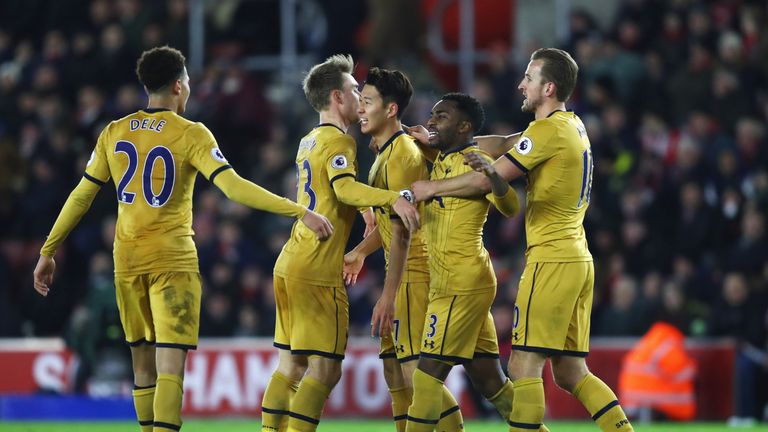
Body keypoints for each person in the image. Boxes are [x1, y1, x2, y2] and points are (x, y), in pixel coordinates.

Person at [32, 46, 334, 432]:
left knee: (142, 365)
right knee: (170, 364)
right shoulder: (190, 133)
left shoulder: (114, 131)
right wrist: (299, 210)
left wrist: (48, 250)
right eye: (188, 81)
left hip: (127, 260)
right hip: (172, 261)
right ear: (178, 85)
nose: (189, 89)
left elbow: (82, 196)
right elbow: (234, 188)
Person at [411, 48, 634, 432]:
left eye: (528, 78)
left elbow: (487, 179)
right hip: (578, 258)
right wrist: (441, 139)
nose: (520, 84)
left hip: (551, 260)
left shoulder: (547, 131)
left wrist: (430, 186)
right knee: (570, 372)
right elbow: (505, 142)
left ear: (548, 87)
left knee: (522, 365)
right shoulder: (570, 125)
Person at [260, 54, 420, 432]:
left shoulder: (308, 140)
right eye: (353, 91)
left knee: (291, 365)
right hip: (317, 268)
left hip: (290, 262)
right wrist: (389, 198)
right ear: (336, 96)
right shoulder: (341, 142)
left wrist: (361, 210)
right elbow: (343, 187)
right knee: (326, 370)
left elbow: (331, 193)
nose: (359, 99)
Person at [342, 67, 463, 432]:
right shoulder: (387, 152)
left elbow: (405, 228)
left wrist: (388, 294)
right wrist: (363, 250)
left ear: (391, 109)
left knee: (418, 375)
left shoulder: (401, 156)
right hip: (404, 273)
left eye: (367, 102)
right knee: (396, 370)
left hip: (414, 273)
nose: (360, 110)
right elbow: (392, 219)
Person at [399, 92, 523, 432]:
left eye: (442, 116)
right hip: (455, 282)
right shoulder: (440, 157)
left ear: (464, 126)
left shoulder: (475, 160)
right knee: (491, 384)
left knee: (425, 379)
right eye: (433, 114)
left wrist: (493, 176)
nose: (432, 120)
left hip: (460, 281)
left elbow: (510, 206)